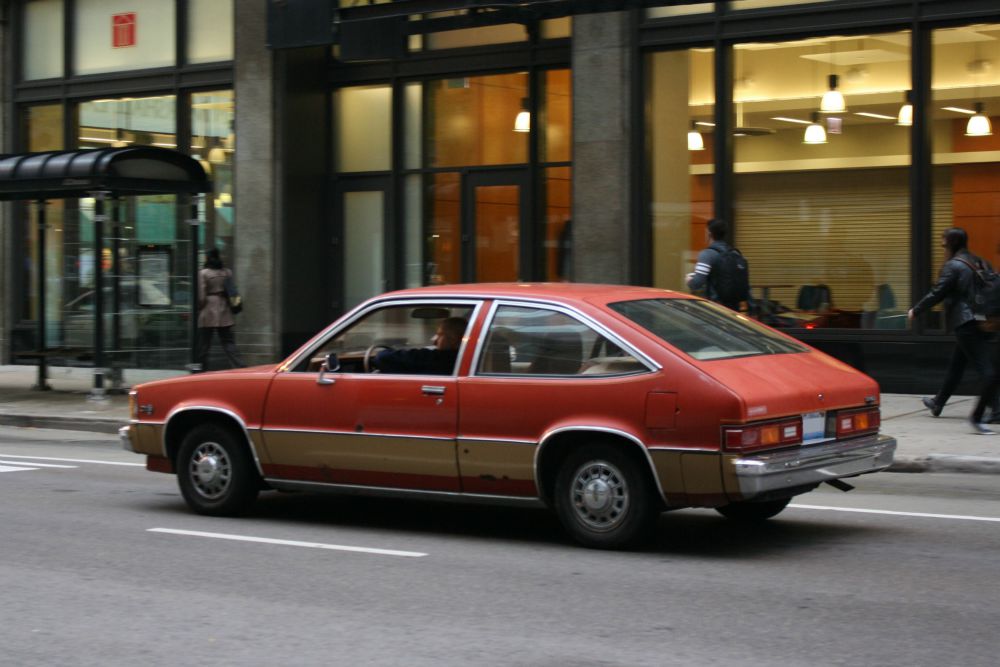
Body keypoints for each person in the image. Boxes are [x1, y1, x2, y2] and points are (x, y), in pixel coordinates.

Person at [909, 227, 997, 435]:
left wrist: (917, 310)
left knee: (986, 370)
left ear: (951, 243)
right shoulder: (980, 261)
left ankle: (996, 410)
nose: (942, 246)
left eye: (943, 242)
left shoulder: (953, 265)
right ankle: (938, 402)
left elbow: (937, 292)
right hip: (984, 321)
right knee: (957, 364)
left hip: (966, 323)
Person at [686, 218, 750, 311]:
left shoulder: (707, 254)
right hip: (734, 310)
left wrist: (689, 280)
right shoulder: (735, 254)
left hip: (715, 310)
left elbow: (696, 283)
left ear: (709, 233)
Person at [197, 248, 245, 372]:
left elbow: (201, 296)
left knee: (204, 343)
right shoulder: (227, 272)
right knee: (228, 342)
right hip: (224, 308)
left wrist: (200, 308)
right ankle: (239, 366)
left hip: (208, 309)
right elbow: (232, 289)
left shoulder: (203, 273)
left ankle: (201, 369)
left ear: (207, 257)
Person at [373, 317, 467, 375]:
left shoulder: (438, 358)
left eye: (439, 335)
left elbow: (383, 357)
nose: (434, 340)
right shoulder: (465, 358)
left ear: (454, 339)